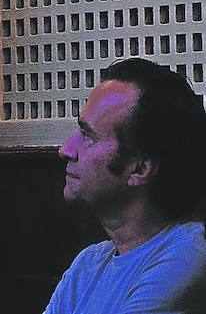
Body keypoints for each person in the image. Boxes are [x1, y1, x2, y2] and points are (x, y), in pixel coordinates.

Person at [44, 58, 206, 314]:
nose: (65, 150)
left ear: (140, 169)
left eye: (87, 136)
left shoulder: (187, 254)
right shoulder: (89, 264)